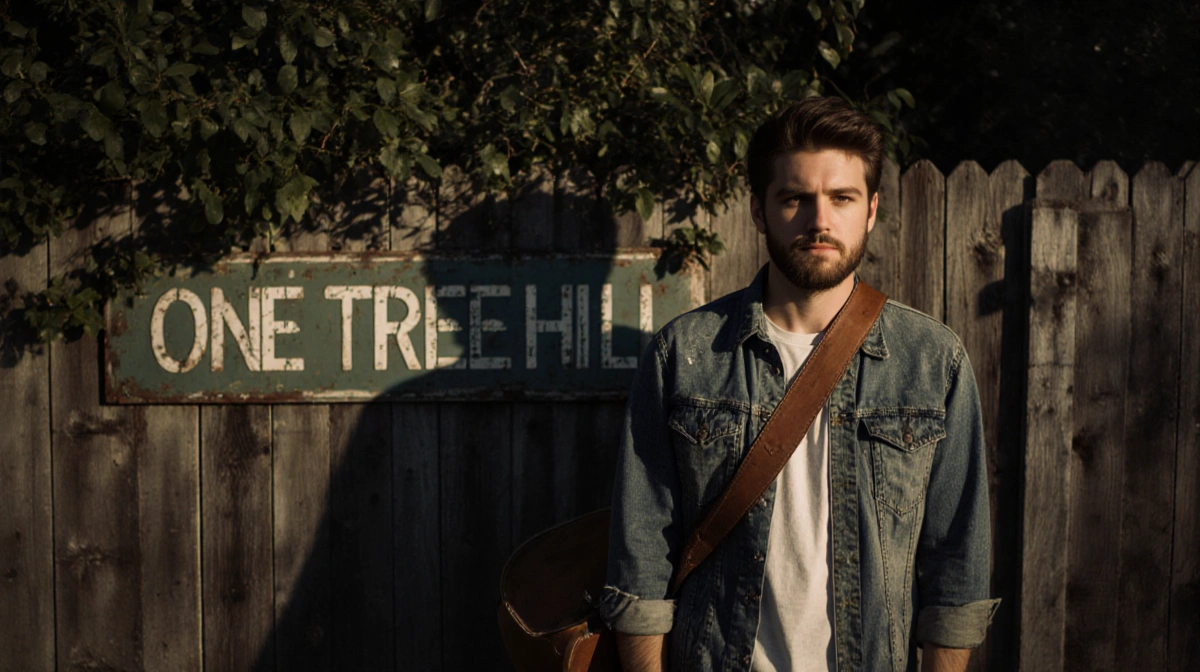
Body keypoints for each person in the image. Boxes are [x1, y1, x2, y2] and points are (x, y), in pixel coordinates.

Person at [596, 97, 999, 672]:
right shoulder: (685, 355)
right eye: (795, 198)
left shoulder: (932, 361)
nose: (819, 221)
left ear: (871, 209)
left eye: (842, 198)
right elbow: (640, 554)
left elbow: (956, 565)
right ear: (759, 211)